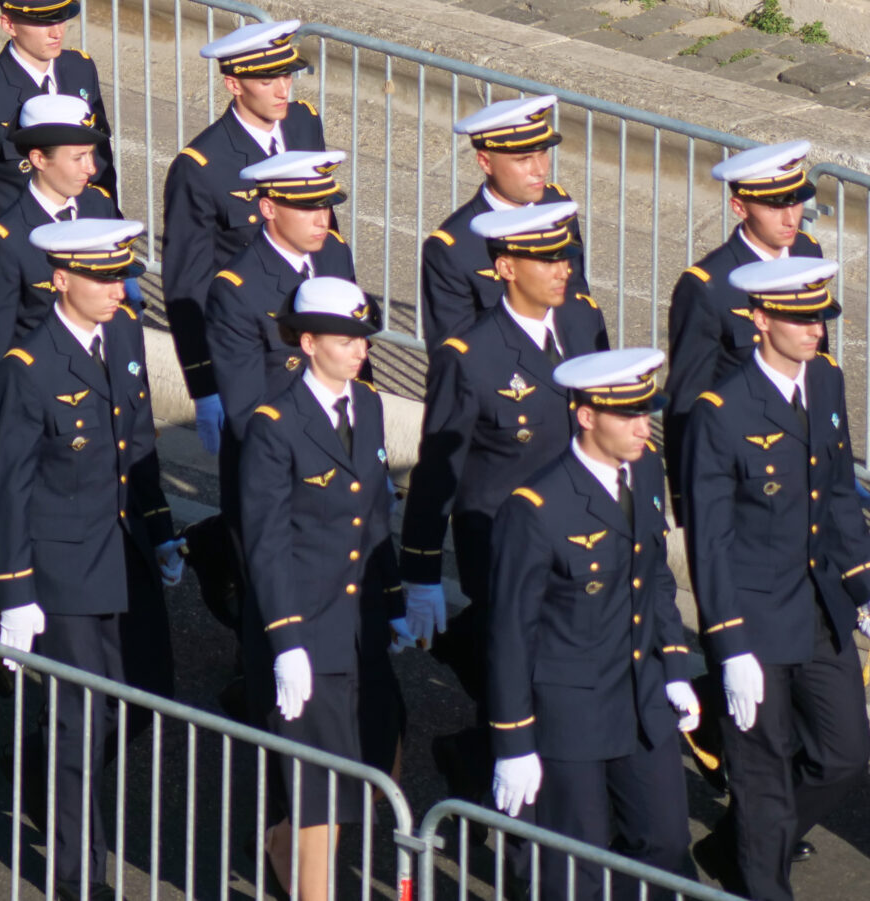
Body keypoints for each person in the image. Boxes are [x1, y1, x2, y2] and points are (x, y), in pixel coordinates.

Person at [682, 257, 870, 900]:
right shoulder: (720, 412)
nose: (816, 331)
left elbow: (836, 493)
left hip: (819, 606)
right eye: (801, 319)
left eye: (821, 318)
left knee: (843, 753)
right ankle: (761, 879)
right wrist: (729, 642)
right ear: (759, 319)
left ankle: (737, 842)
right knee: (763, 771)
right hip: (752, 614)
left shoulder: (825, 383)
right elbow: (711, 542)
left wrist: (869, 587)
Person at [0, 218, 183, 901]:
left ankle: (38, 766)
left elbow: (137, 441)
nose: (116, 287)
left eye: (119, 273)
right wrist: (15, 592)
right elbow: (7, 488)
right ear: (60, 279)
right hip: (62, 569)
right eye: (101, 276)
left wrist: (159, 531)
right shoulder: (29, 368)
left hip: (121, 554)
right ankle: (77, 872)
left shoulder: (123, 333)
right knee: (82, 716)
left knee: (141, 695)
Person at [398, 200, 608, 806]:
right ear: (507, 267)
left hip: (578, 529)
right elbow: (440, 466)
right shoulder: (471, 355)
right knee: (525, 676)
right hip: (501, 538)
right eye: (546, 258)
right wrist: (420, 572)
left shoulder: (582, 322)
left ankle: (475, 757)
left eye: (565, 253)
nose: (564, 268)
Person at [486, 347, 696, 900]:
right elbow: (510, 634)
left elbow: (653, 579)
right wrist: (513, 742)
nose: (641, 424)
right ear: (585, 415)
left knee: (667, 848)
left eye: (645, 411)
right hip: (570, 712)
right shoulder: (535, 508)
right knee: (573, 867)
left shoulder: (647, 467)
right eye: (627, 414)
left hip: (640, 698)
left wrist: (674, 665)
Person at [239, 277, 402, 900]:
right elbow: (268, 542)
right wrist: (286, 640)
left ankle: (283, 846)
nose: (358, 350)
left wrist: (394, 603)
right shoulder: (276, 424)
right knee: (320, 795)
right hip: (305, 631)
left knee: (373, 759)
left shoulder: (371, 405)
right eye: (344, 339)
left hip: (358, 628)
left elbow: (375, 514)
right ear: (307, 343)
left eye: (362, 338)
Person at [161, 18, 327, 457]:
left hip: (319, 341)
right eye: (267, 80)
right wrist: (206, 387)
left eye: (287, 76)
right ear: (234, 84)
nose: (282, 90)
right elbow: (188, 286)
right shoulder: (201, 167)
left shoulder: (305, 124)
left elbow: (327, 237)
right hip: (258, 356)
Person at [665, 140, 824, 525]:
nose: (791, 218)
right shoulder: (708, 286)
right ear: (739, 207)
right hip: (747, 473)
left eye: (796, 201)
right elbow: (686, 401)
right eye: (774, 206)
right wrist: (690, 506)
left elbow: (817, 364)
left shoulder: (808, 253)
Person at [205, 150, 354, 531]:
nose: (323, 219)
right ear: (269, 208)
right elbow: (248, 410)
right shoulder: (238, 289)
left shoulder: (334, 253)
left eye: (326, 205)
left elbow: (355, 360)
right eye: (307, 208)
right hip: (279, 473)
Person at [0, 0, 113, 308]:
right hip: (26, 272)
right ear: (8, 25)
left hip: (89, 260)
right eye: (43, 22)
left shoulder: (79, 69)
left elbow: (101, 174)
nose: (56, 31)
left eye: (60, 19)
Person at [0, 93, 116, 445]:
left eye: (91, 155)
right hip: (49, 416)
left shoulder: (99, 206)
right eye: (78, 157)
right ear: (38, 159)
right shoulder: (5, 239)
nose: (91, 168)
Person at [419, 94, 590, 347]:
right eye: (523, 160)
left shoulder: (557, 206)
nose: (540, 169)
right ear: (485, 162)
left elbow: (578, 302)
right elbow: (455, 356)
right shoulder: (453, 248)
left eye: (542, 154)